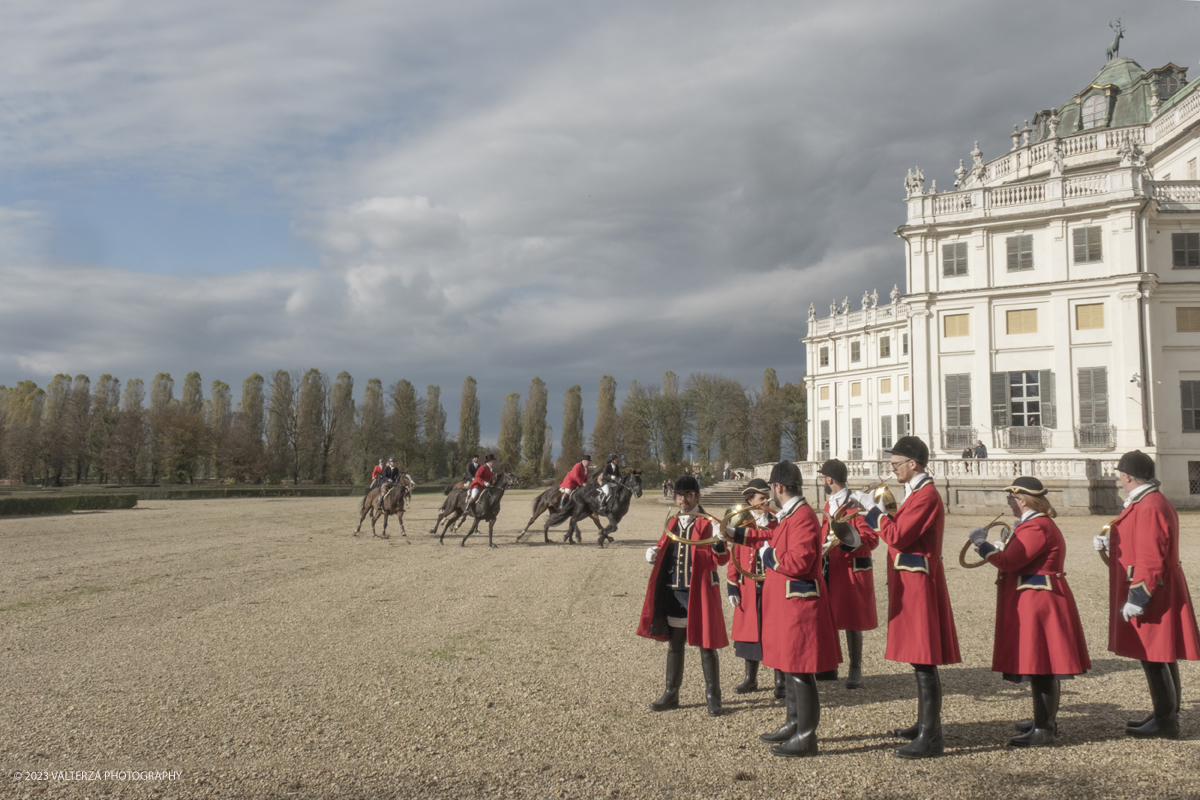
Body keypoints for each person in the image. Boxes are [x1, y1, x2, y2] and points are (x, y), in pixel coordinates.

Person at [847, 436, 960, 759]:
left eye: (896, 464)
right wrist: (880, 513)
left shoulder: (926, 496)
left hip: (919, 585)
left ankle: (931, 735)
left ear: (914, 464)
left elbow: (896, 535)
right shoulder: (916, 494)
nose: (892, 469)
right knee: (917, 658)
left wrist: (872, 512)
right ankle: (925, 723)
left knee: (924, 659)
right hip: (911, 581)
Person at [725, 460, 841, 757]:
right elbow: (769, 538)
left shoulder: (801, 516)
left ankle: (806, 734)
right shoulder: (793, 514)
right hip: (789, 603)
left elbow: (798, 563)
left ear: (777, 487)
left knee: (801, 671)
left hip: (799, 604)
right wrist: (736, 535)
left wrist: (769, 557)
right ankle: (793, 722)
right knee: (790, 668)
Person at [966, 476, 1091, 747]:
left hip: (1039, 601)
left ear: (1021, 500)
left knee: (1042, 666)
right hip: (1035, 597)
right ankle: (1043, 719)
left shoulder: (1036, 527)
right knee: (1041, 665)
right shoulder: (1033, 525)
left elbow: (1010, 563)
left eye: (1010, 499)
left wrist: (982, 545)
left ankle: (1045, 729)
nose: (1009, 503)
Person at [1096, 450, 1200, 739]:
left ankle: (1166, 721)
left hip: (1153, 589)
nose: (1120, 480)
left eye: (1120, 476)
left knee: (1154, 657)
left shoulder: (1149, 504)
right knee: (1161, 656)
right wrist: (1110, 541)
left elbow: (1151, 556)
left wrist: (1138, 597)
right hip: (1159, 586)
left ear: (1128, 476)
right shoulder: (1148, 500)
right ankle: (1165, 714)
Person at [637, 475, 730, 716]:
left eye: (688, 495)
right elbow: (663, 547)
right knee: (675, 645)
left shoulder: (710, 522)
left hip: (699, 592)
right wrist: (654, 553)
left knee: (706, 645)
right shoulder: (672, 522)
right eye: (679, 495)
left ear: (697, 496)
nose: (683, 499)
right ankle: (671, 693)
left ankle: (713, 697)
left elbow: (721, 559)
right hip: (675, 590)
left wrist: (720, 541)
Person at [818, 458, 879, 690]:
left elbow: (872, 539)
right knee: (828, 617)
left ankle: (856, 668)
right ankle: (830, 664)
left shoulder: (856, 503)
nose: (823, 481)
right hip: (830, 566)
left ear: (829, 479)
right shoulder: (828, 504)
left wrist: (845, 540)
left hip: (851, 567)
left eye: (823, 477)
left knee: (853, 620)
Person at [723, 479, 778, 697]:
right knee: (749, 634)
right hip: (748, 586)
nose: (766, 501)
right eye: (762, 498)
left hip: (772, 585)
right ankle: (750, 678)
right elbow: (735, 556)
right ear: (750, 501)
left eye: (767, 497)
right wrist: (732, 586)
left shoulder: (776, 522)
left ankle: (780, 678)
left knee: (774, 632)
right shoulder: (741, 525)